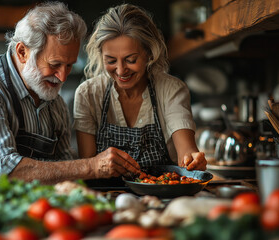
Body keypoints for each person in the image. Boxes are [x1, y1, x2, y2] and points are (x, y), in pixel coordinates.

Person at [0, 2, 140, 185]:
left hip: (16, 208)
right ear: (22, 52)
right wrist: (92, 166)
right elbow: (6, 172)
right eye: (54, 64)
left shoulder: (55, 103)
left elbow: (63, 168)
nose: (62, 77)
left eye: (69, 65)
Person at [73, 4, 207, 171]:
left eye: (131, 60)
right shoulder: (88, 94)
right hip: (105, 193)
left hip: (161, 192)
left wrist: (192, 160)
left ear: (149, 53)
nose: (121, 70)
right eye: (111, 61)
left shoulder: (171, 90)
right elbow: (89, 167)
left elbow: (186, 152)